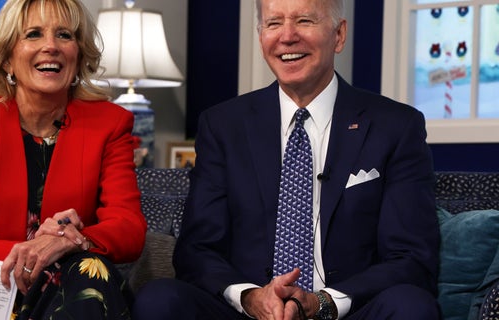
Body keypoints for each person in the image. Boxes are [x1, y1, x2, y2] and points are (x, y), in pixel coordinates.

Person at [132, 0, 440, 319]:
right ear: (260, 33)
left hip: (346, 310)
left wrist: (322, 302)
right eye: (274, 23)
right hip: (247, 312)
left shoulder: (395, 125)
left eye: (304, 20)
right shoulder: (222, 126)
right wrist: (250, 296)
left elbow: (411, 257)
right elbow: (196, 251)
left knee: (411, 306)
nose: (287, 36)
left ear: (338, 35)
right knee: (161, 299)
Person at [0, 0, 147, 319]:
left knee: (90, 271)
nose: (51, 46)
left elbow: (129, 229)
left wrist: (71, 241)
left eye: (64, 35)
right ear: (8, 60)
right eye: (33, 34)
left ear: (79, 55)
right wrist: (32, 252)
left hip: (73, 286)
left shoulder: (110, 124)